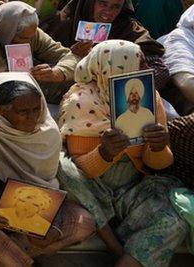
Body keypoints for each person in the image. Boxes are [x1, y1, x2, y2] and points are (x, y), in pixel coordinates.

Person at [57, 41, 187, 267]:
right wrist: (106, 152)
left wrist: (158, 147)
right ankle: (114, 245)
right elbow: (81, 170)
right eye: (140, 63)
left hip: (132, 188)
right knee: (62, 167)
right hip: (91, 190)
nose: (145, 70)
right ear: (114, 67)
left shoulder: (149, 97)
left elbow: (158, 165)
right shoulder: (80, 101)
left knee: (175, 222)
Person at [0, 74, 96, 266]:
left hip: (29, 204)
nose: (33, 117)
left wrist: (52, 226)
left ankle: (10, 253)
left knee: (85, 223)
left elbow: (45, 186)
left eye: (36, 109)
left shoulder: (47, 133)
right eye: (23, 112)